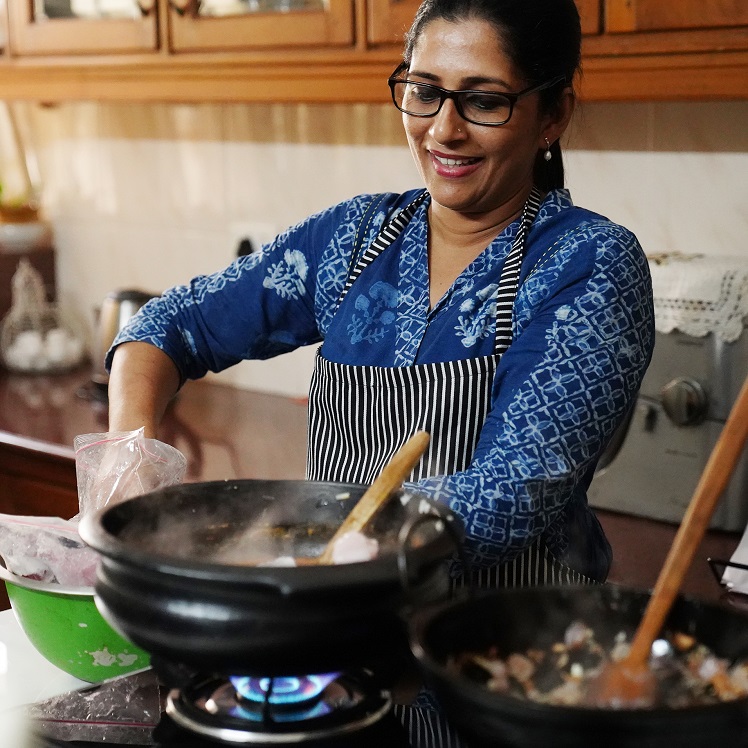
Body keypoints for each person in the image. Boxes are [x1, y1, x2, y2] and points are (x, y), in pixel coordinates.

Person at [106, 0, 654, 743]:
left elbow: (514, 488)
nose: (442, 129)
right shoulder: (355, 239)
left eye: (484, 100)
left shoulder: (588, 263)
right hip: (343, 661)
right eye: (424, 90)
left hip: (499, 675)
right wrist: (130, 453)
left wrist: (315, 555)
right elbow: (165, 328)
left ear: (552, 113)